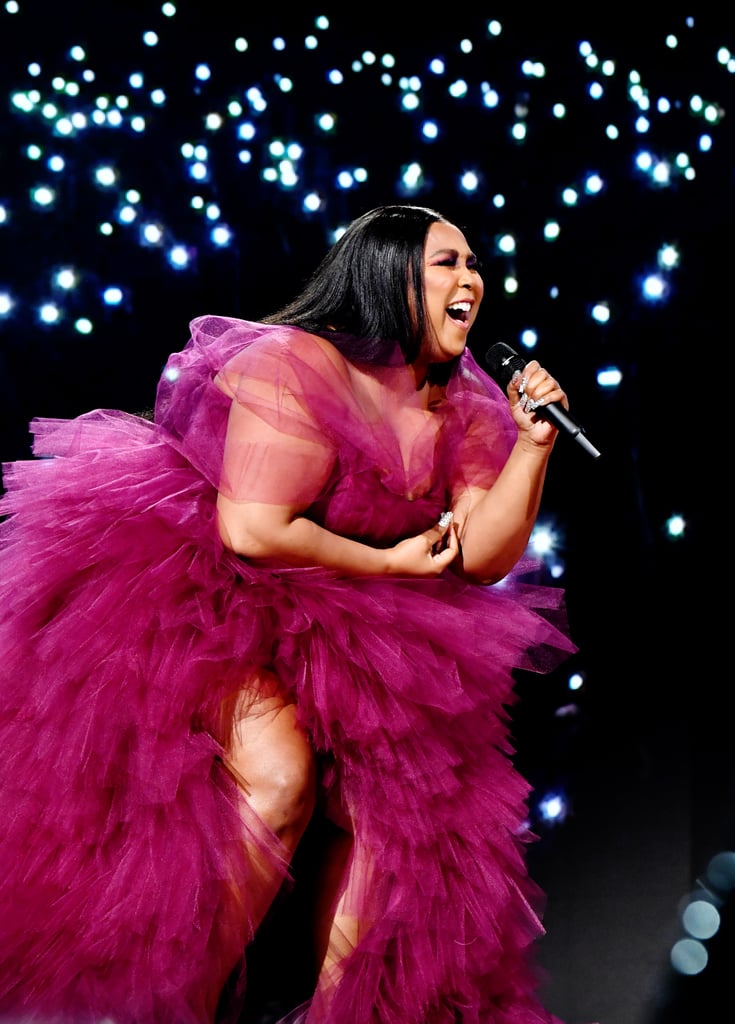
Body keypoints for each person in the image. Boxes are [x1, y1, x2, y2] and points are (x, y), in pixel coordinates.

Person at [0, 204, 579, 1024]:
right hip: (200, 594)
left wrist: (532, 446)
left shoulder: (468, 404)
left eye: (474, 265)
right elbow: (252, 530)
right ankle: (162, 1008)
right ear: (386, 275)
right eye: (446, 263)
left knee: (405, 819)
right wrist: (384, 561)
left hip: (349, 630)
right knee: (279, 775)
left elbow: (482, 556)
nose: (471, 280)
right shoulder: (300, 363)